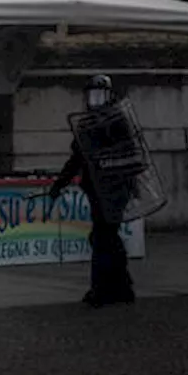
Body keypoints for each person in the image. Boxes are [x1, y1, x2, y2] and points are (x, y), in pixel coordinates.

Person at [49, 75, 136, 308]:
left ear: (109, 96)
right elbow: (77, 158)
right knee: (105, 237)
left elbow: (130, 154)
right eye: (92, 95)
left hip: (114, 187)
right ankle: (122, 286)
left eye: (100, 95)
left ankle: (102, 290)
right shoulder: (87, 124)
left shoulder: (117, 121)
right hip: (98, 189)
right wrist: (59, 184)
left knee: (102, 238)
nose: (95, 100)